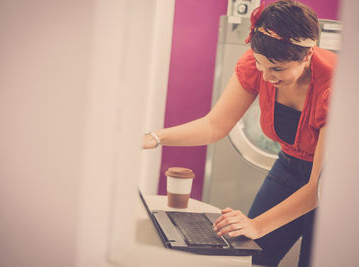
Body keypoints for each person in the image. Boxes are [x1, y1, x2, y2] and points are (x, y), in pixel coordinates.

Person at [143, 1, 337, 266]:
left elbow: (317, 187)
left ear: (306, 55)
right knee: (252, 257)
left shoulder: (335, 86)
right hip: (289, 167)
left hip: (334, 183)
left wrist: (257, 225)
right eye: (260, 64)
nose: (267, 77)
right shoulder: (257, 64)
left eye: (277, 69)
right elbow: (214, 126)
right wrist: (154, 138)